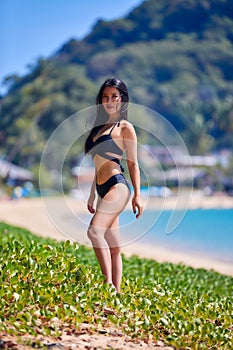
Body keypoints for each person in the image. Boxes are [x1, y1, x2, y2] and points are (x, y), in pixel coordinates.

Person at [84, 78, 143, 293]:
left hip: (117, 186)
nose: (109, 101)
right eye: (105, 97)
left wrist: (137, 195)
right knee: (114, 247)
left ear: (122, 100)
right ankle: (117, 296)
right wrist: (92, 195)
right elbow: (98, 164)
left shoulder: (125, 127)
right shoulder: (98, 128)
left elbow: (132, 163)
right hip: (102, 190)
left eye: (114, 97)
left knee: (94, 232)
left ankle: (107, 286)